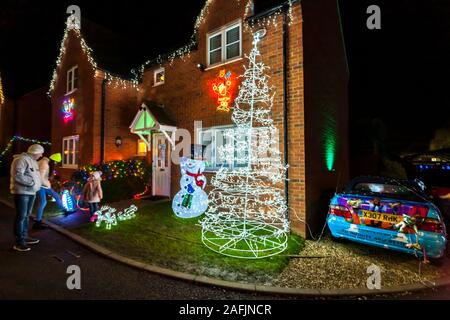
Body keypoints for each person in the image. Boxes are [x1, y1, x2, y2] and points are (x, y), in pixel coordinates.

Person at [10, 144, 44, 252]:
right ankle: (19, 242)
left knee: (27, 215)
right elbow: (17, 175)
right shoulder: (21, 159)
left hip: (30, 192)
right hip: (22, 192)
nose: (41, 155)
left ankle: (24, 236)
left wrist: (37, 184)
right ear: (35, 152)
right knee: (21, 216)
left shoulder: (33, 161)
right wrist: (32, 182)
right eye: (40, 152)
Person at [33, 153, 68, 230]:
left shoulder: (46, 163)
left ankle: (64, 210)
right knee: (43, 202)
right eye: (55, 162)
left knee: (56, 195)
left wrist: (49, 179)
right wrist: (48, 181)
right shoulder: (44, 164)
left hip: (44, 185)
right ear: (53, 160)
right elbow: (41, 178)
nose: (56, 164)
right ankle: (37, 222)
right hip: (41, 185)